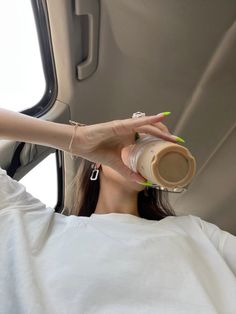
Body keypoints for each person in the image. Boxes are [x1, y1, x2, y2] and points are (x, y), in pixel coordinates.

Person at [0, 108, 236, 314]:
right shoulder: (36, 227)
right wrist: (76, 138)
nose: (146, 146)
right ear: (97, 161)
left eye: (155, 142)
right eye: (136, 138)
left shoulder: (195, 231)